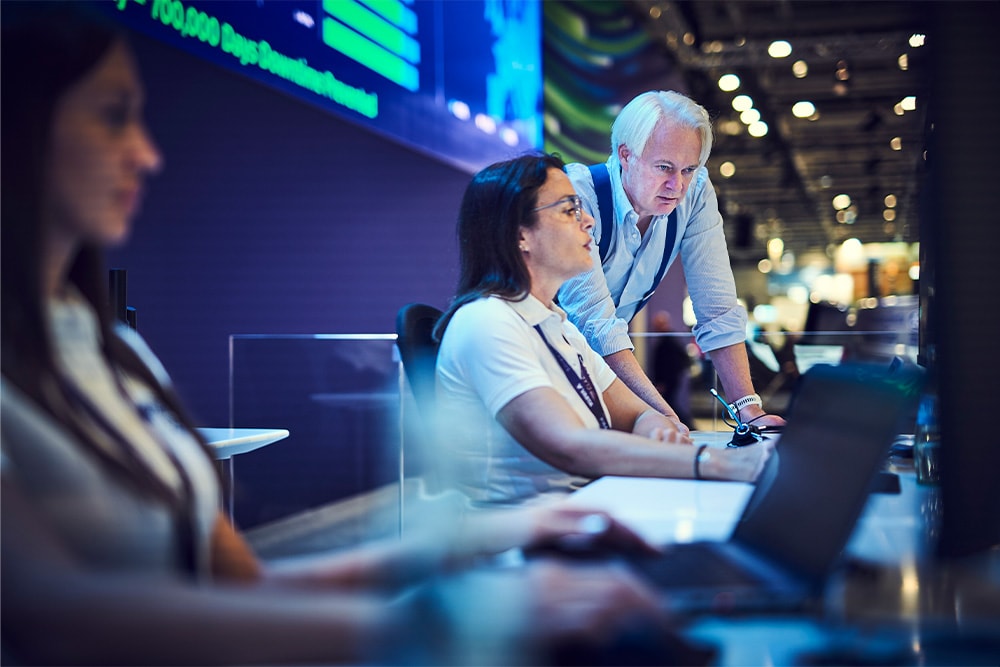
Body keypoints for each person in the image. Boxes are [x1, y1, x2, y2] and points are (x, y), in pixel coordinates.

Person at [0, 5, 682, 664]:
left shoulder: (110, 348)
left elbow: (244, 588)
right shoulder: (486, 321)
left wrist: (516, 529)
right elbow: (54, 619)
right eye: (113, 116)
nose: (147, 155)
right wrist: (458, 621)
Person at [434, 154, 773, 506]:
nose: (590, 221)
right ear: (520, 234)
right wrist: (720, 463)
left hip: (584, 514)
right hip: (518, 544)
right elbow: (570, 446)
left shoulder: (561, 329)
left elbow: (640, 412)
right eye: (569, 210)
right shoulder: (488, 322)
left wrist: (655, 429)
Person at [557, 90, 786, 434]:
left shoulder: (694, 194)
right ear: (625, 155)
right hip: (539, 365)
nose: (676, 185)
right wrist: (668, 418)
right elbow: (597, 325)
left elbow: (717, 308)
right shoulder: (577, 196)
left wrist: (747, 409)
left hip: (599, 379)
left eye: (688, 169)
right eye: (663, 167)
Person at [649, 310, 696, 430]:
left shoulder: (669, 341)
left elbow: (670, 364)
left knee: (670, 404)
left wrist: (664, 382)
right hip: (669, 380)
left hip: (668, 381)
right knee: (670, 404)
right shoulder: (667, 340)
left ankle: (688, 426)